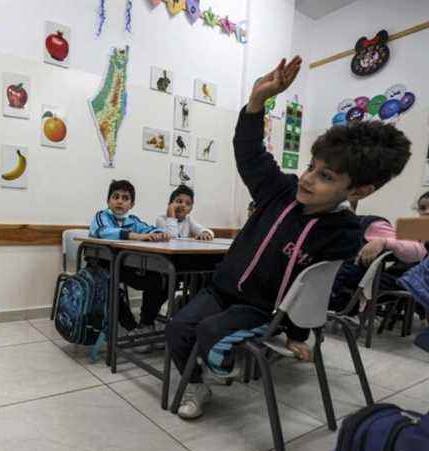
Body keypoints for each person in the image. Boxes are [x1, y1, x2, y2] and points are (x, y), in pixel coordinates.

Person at [165, 56, 412, 420]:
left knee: (210, 333)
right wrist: (256, 103)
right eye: (311, 167)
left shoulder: (342, 234)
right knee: (178, 328)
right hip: (220, 290)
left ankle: (220, 366)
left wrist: (298, 332)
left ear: (359, 190)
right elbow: (250, 155)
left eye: (325, 176)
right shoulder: (279, 191)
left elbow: (316, 288)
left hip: (260, 309)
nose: (308, 179)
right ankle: (199, 382)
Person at [89, 179, 169, 336]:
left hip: (125, 265)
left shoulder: (133, 220)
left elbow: (148, 229)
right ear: (108, 200)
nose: (120, 201)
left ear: (131, 204)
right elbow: (102, 231)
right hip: (101, 264)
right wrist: (134, 236)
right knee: (109, 287)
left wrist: (159, 233)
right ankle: (130, 326)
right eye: (115, 196)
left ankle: (145, 324)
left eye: (125, 198)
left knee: (160, 280)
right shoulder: (101, 216)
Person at [329, 195, 426, 313]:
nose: (427, 211)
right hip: (397, 275)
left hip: (408, 280)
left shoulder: (375, 225)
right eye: (422, 208)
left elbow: (417, 252)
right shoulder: (416, 228)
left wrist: (384, 241)